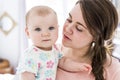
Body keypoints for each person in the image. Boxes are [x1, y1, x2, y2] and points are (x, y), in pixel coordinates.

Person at [15, 6, 90, 80]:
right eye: (38, 29)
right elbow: (26, 77)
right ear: (28, 33)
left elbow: (63, 62)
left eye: (51, 28)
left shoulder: (55, 50)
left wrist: (78, 66)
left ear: (58, 29)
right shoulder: (30, 55)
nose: (45, 34)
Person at [56, 0, 120, 80]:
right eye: (69, 20)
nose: (68, 28)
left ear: (96, 37)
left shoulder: (112, 69)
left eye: (79, 28)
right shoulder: (49, 52)